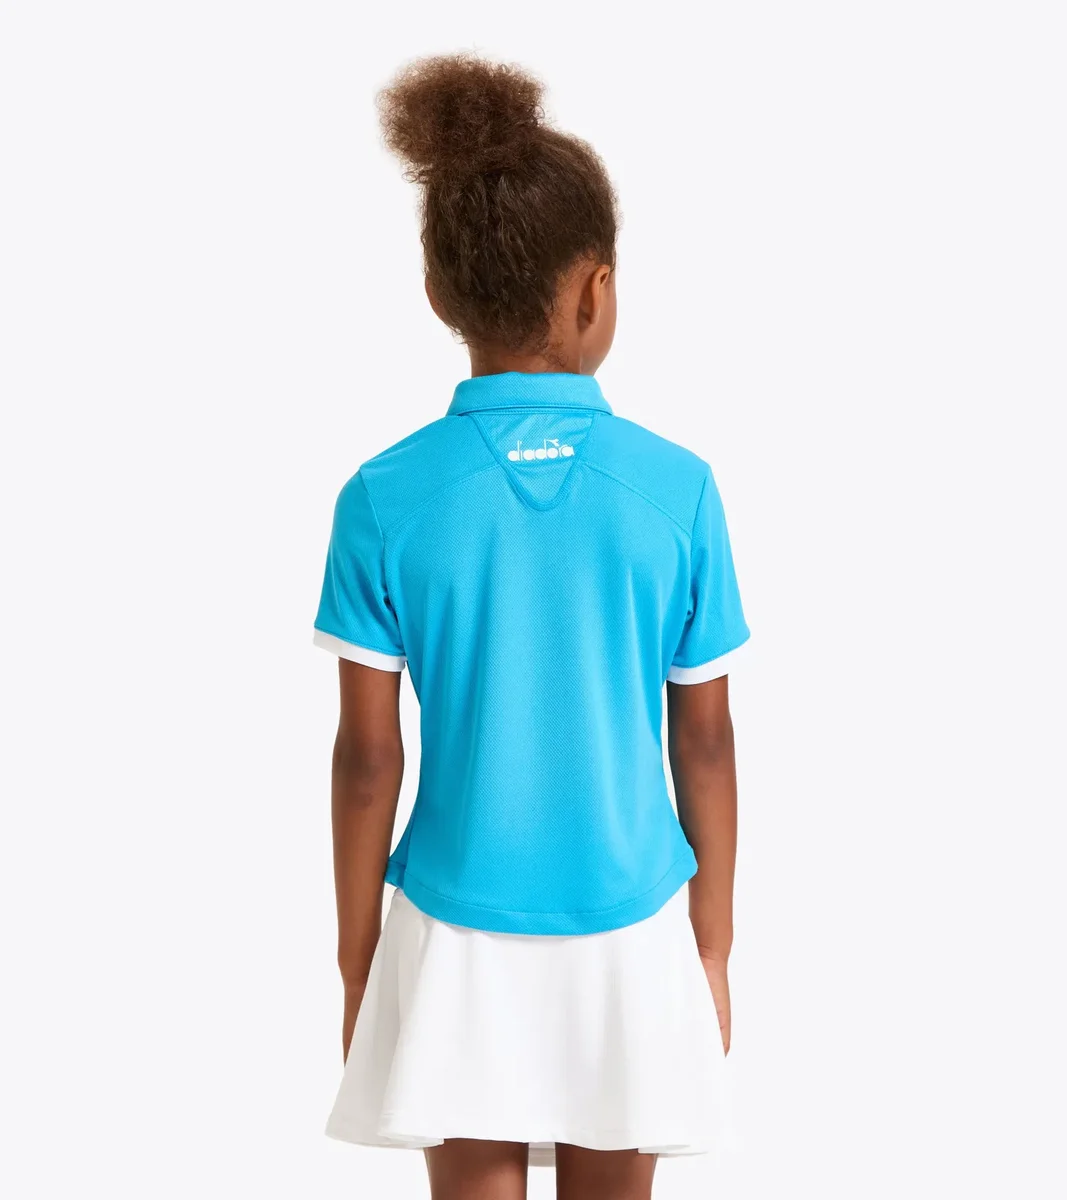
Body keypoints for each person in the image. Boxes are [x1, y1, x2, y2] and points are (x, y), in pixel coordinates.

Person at [313, 53, 749, 1200]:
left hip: (453, 930)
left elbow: (367, 759)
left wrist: (358, 960)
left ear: (438, 292)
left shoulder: (382, 499)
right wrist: (710, 944)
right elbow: (703, 740)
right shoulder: (677, 491)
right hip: (632, 925)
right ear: (594, 292)